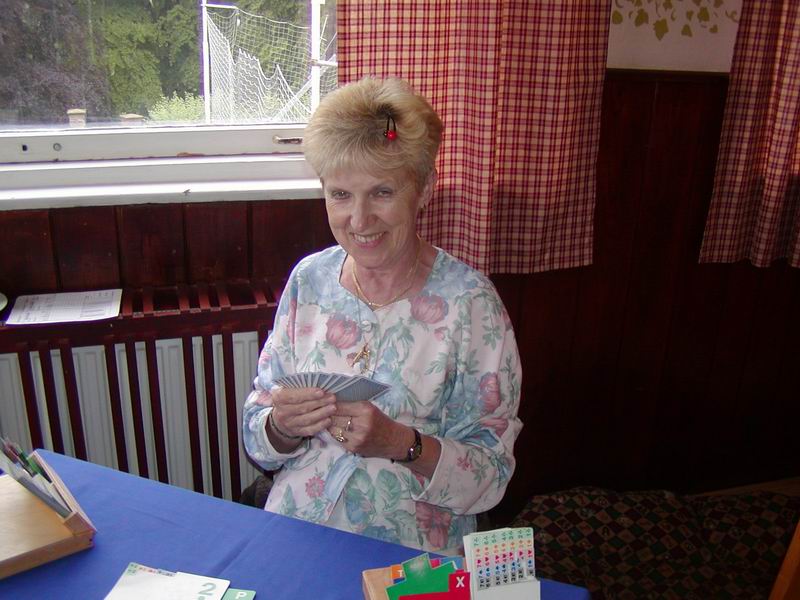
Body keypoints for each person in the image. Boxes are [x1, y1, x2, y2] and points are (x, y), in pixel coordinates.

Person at [242, 77, 522, 555]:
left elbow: (491, 474)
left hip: (411, 550)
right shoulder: (309, 280)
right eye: (340, 194)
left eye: (382, 192)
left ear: (424, 189)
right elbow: (258, 430)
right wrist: (281, 426)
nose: (359, 220)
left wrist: (401, 443)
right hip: (297, 527)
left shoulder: (471, 305)